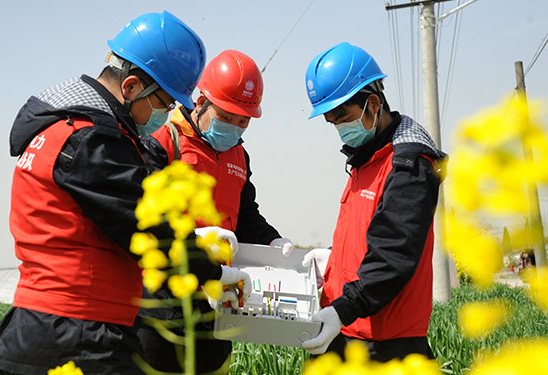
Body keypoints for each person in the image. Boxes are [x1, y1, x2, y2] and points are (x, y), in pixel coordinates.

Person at [0, 11, 251, 375]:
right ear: (130, 87)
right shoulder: (91, 139)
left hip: (48, 328)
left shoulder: (60, 127)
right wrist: (214, 273)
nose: (166, 114)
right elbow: (147, 224)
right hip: (78, 332)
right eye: (163, 103)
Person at [136, 49, 296, 373]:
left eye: (243, 122)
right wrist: (194, 237)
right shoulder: (164, 143)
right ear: (201, 103)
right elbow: (142, 219)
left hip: (218, 305)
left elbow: (247, 214)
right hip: (161, 308)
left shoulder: (239, 156)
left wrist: (274, 243)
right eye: (227, 117)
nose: (234, 128)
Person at [300, 42, 446, 362]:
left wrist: (343, 309)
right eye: (332, 121)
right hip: (352, 327)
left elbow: (393, 253)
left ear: (373, 103)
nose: (340, 128)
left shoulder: (409, 165)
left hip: (385, 344)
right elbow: (364, 238)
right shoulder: (367, 158)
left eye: (344, 116)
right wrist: (333, 261)